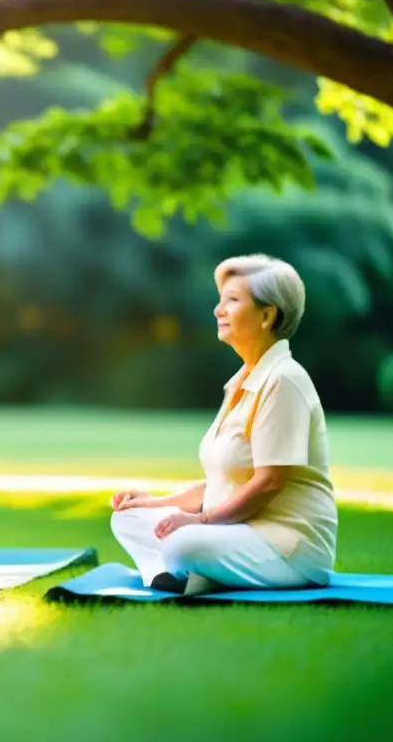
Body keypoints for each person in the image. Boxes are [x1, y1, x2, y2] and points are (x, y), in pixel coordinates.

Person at [110, 254, 338, 594]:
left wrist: (198, 521)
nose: (218, 310)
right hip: (235, 530)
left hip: (288, 546)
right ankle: (178, 575)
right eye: (220, 301)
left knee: (181, 543)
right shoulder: (243, 382)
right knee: (127, 518)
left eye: (231, 301)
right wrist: (156, 503)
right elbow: (222, 482)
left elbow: (268, 483)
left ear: (267, 314)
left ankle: (186, 571)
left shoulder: (284, 381)